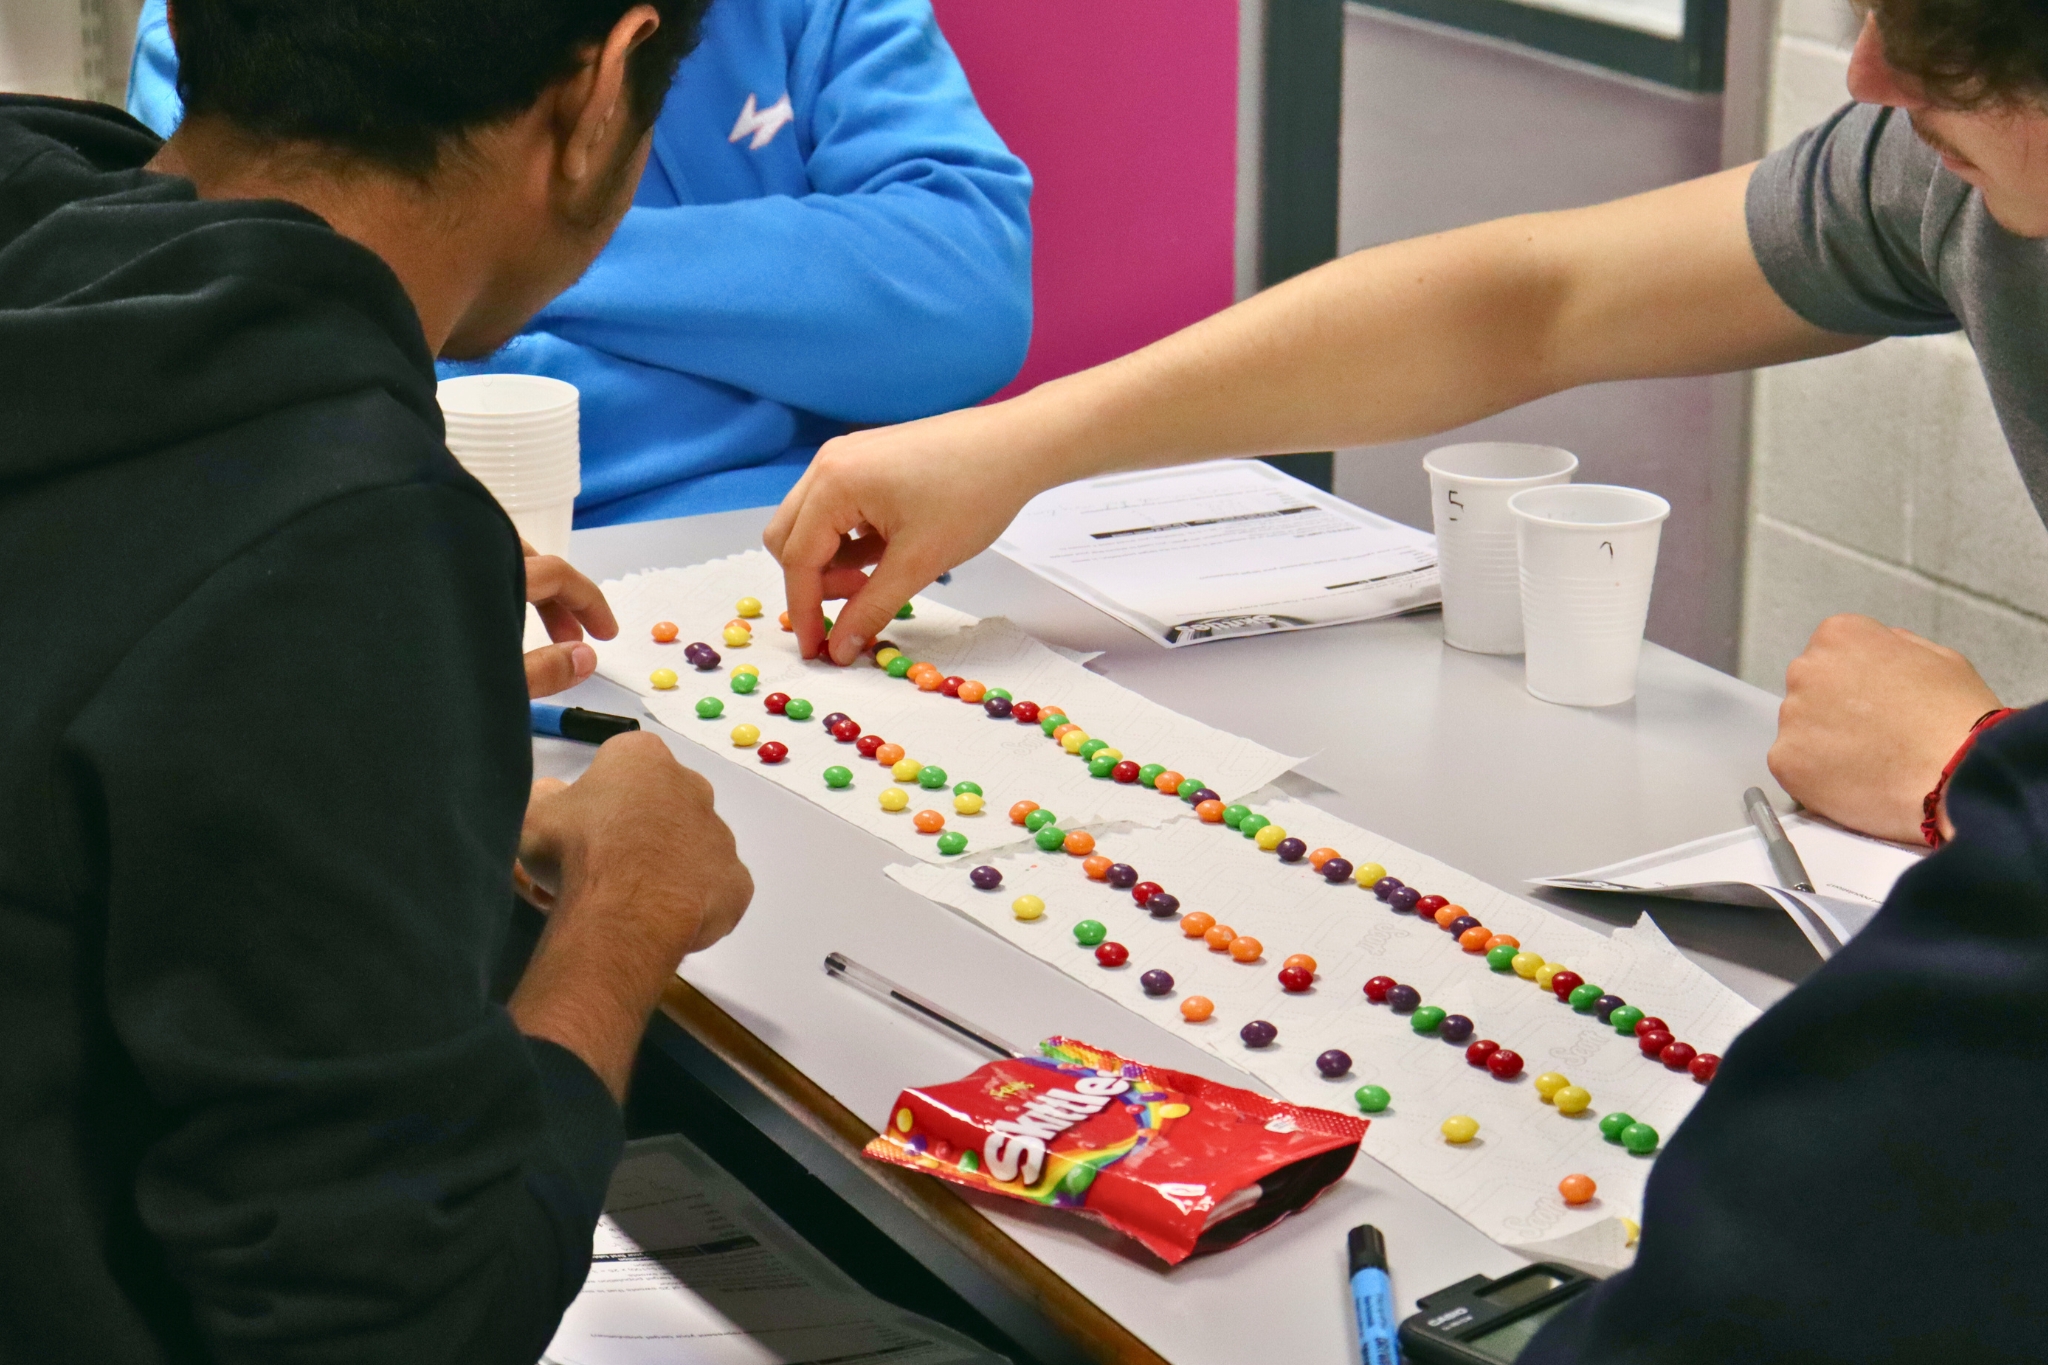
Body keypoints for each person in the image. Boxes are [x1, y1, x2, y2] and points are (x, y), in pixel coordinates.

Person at [767, 0, 2048, 850]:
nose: (1868, 74)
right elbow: (1530, 303)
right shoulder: (1940, 170)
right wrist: (1028, 442)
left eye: (1939, 35)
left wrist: (1972, 772)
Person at [0, 1, 754, 1360]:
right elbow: (401, 1323)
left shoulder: (52, 261)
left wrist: (373, 754)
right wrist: (626, 912)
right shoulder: (339, 533)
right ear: (596, 96)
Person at [127, 0, 1034, 525]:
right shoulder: (253, 24)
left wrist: (489, 238)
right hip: (429, 556)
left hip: (798, 558)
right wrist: (790, 355)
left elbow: (966, 297)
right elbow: (304, 369)